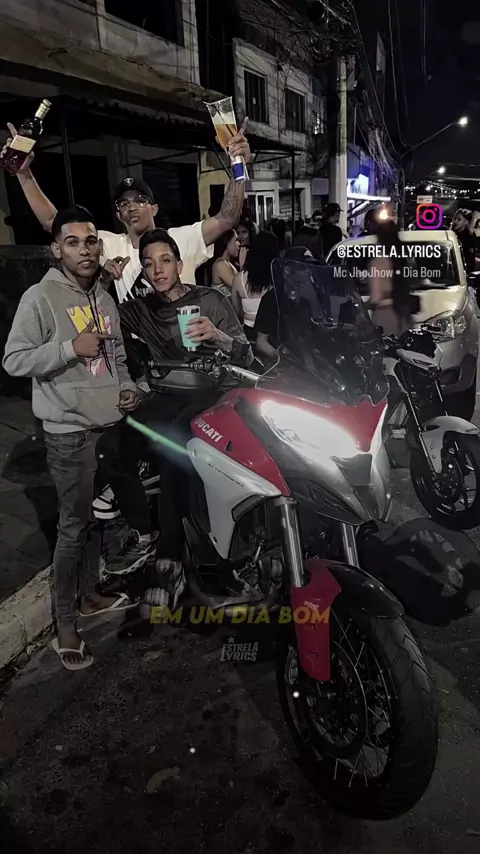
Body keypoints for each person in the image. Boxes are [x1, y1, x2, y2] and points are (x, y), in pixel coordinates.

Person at [2, 206, 140, 671]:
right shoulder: (40, 297)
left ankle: (90, 596)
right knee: (72, 528)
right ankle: (65, 622)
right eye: (74, 242)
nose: (85, 250)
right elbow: (14, 360)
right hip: (69, 435)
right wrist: (69, 348)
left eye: (91, 240)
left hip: (108, 429)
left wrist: (127, 389)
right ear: (56, 249)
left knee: (97, 518)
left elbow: (118, 360)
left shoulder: (104, 298)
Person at [95, 228, 253, 586]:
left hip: (212, 395)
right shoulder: (141, 309)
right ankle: (144, 532)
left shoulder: (209, 300)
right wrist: (104, 279)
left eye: (165, 261)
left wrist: (217, 336)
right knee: (110, 448)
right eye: (149, 264)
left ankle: (173, 550)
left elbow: (246, 355)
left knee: (174, 444)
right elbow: (102, 315)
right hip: (167, 396)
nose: (158, 270)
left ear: (180, 265)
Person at [2, 122, 251, 302]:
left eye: (140, 200)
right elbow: (53, 222)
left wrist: (237, 162)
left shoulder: (181, 239)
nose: (131, 206)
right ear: (119, 215)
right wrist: (23, 174)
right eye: (123, 204)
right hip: (138, 350)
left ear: (154, 208)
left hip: (185, 344)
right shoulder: (109, 245)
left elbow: (227, 218)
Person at [368, 220, 417, 336]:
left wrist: (364, 305)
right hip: (404, 316)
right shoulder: (405, 260)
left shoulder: (378, 263)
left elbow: (376, 297)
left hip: (384, 316)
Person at [231, 231, 280, 339]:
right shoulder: (279, 278)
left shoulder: (239, 279)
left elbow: (236, 313)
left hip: (248, 334)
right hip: (273, 335)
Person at [212, 230, 239, 298]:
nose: (239, 244)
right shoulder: (220, 265)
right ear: (227, 242)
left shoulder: (227, 263)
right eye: (236, 240)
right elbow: (239, 287)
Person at [452, 208, 476, 274]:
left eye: (459, 219)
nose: (455, 221)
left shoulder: (469, 237)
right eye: (455, 219)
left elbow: (469, 261)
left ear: (466, 222)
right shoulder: (451, 233)